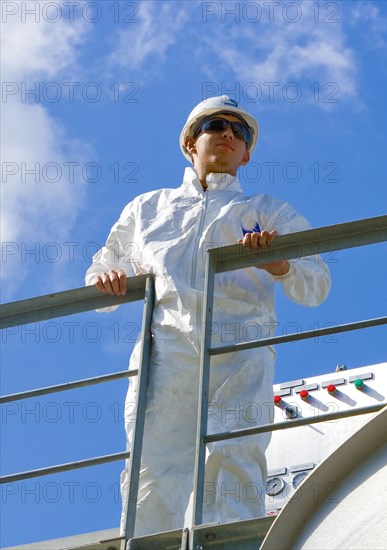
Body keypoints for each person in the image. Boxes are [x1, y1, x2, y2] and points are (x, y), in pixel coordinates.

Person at [85, 95, 331, 537]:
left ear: (248, 153)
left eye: (241, 132)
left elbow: (317, 284)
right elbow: (101, 272)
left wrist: (279, 264)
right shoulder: (147, 210)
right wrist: (109, 278)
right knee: (153, 471)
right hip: (166, 355)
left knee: (236, 461)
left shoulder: (267, 212)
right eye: (216, 124)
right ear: (189, 143)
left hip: (240, 351)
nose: (229, 135)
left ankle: (229, 546)